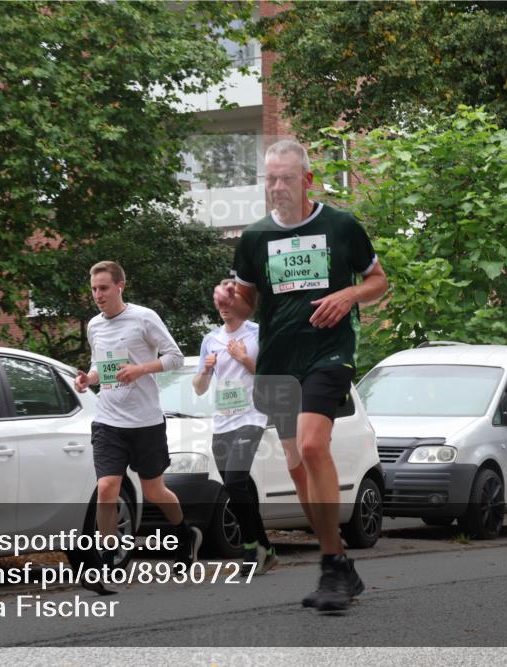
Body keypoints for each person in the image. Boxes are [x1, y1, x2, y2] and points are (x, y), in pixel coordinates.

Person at [214, 139, 389, 611]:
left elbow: (379, 281)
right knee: (297, 466)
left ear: (307, 180)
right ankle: (338, 561)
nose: (276, 187)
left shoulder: (340, 225)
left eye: (286, 178)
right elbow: (251, 302)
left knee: (314, 446)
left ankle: (331, 565)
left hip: (328, 353)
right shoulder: (254, 239)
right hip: (276, 360)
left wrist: (349, 296)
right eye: (269, 178)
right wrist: (232, 301)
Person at [74, 260, 202, 590]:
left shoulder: (144, 318)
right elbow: (100, 364)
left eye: (103, 288)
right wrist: (89, 378)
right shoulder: (94, 326)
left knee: (154, 491)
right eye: (93, 289)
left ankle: (185, 534)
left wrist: (140, 370)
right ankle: (106, 562)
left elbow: (173, 357)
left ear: (120, 286)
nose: (97, 295)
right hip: (108, 419)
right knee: (106, 489)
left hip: (145, 421)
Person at [192, 280, 278, 576]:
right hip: (223, 421)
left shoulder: (257, 334)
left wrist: (245, 360)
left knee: (235, 478)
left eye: (230, 304)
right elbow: (200, 388)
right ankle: (266, 547)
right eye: (220, 305)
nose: (225, 309)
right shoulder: (210, 340)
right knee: (236, 486)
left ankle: (251, 545)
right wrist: (205, 369)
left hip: (252, 417)